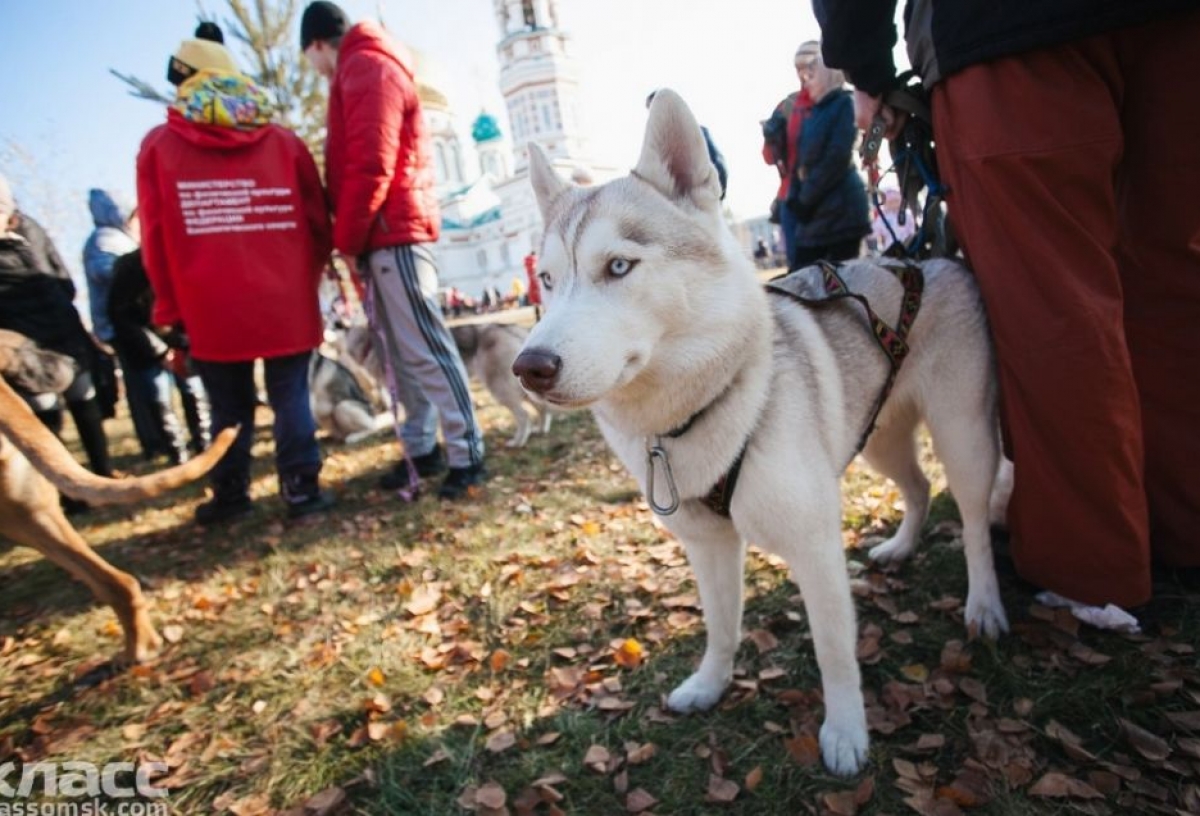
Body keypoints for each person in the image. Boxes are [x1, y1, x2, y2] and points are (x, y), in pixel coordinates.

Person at [814, 1, 1200, 610]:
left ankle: (1090, 569)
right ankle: (1185, 527)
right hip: (1174, 34)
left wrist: (864, 63)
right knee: (1174, 284)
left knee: (1053, 308)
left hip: (1006, 35)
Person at [137, 26, 335, 524]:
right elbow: (316, 221)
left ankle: (231, 494)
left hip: (209, 301)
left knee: (229, 405)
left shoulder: (160, 146)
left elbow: (156, 235)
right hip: (285, 296)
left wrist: (168, 309)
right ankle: (301, 490)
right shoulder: (284, 141)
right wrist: (309, 278)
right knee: (291, 394)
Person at [301, 1, 486, 501]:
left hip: (393, 231)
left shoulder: (367, 65)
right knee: (400, 356)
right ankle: (422, 446)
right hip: (379, 234)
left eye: (310, 58)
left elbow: (370, 163)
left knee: (424, 345)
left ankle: (467, 451)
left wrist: (348, 236)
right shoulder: (358, 70)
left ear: (317, 44)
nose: (314, 71)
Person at [0, 173, 113, 483]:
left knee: (85, 400)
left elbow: (60, 273)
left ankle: (104, 471)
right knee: (44, 411)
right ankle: (66, 487)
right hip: (22, 343)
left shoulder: (31, 228)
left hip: (63, 329)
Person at [108, 248, 211, 464]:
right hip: (144, 348)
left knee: (193, 389)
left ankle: (206, 451)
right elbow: (122, 317)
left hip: (181, 343)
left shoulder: (188, 258)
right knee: (159, 397)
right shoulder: (129, 268)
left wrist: (182, 345)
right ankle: (178, 457)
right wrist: (160, 351)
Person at [785, 42, 869, 267]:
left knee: (841, 283)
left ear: (828, 75)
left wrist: (805, 198)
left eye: (813, 74)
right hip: (816, 214)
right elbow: (801, 160)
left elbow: (836, 157)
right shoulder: (815, 112)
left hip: (841, 214)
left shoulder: (844, 104)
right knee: (802, 276)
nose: (807, 80)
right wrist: (794, 196)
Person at [761, 46, 814, 269]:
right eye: (799, 67)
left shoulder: (839, 101)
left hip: (824, 194)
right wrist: (774, 138)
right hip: (792, 195)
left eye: (809, 65)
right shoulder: (785, 107)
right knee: (801, 269)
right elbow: (768, 156)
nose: (803, 73)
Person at [645, 90, 728, 200]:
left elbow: (718, 163)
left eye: (654, 109)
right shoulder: (661, 146)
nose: (653, 115)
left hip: (705, 195)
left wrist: (714, 191)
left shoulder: (696, 134)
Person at [868, 187, 916, 255]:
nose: (894, 204)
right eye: (890, 202)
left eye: (896, 201)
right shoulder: (883, 217)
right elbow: (874, 232)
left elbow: (912, 232)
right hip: (890, 248)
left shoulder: (907, 215)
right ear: (885, 203)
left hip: (907, 246)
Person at [523, 250, 542, 320]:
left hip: (531, 283)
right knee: (541, 299)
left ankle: (537, 316)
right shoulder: (535, 260)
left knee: (535, 302)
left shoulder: (527, 262)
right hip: (537, 282)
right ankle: (544, 314)